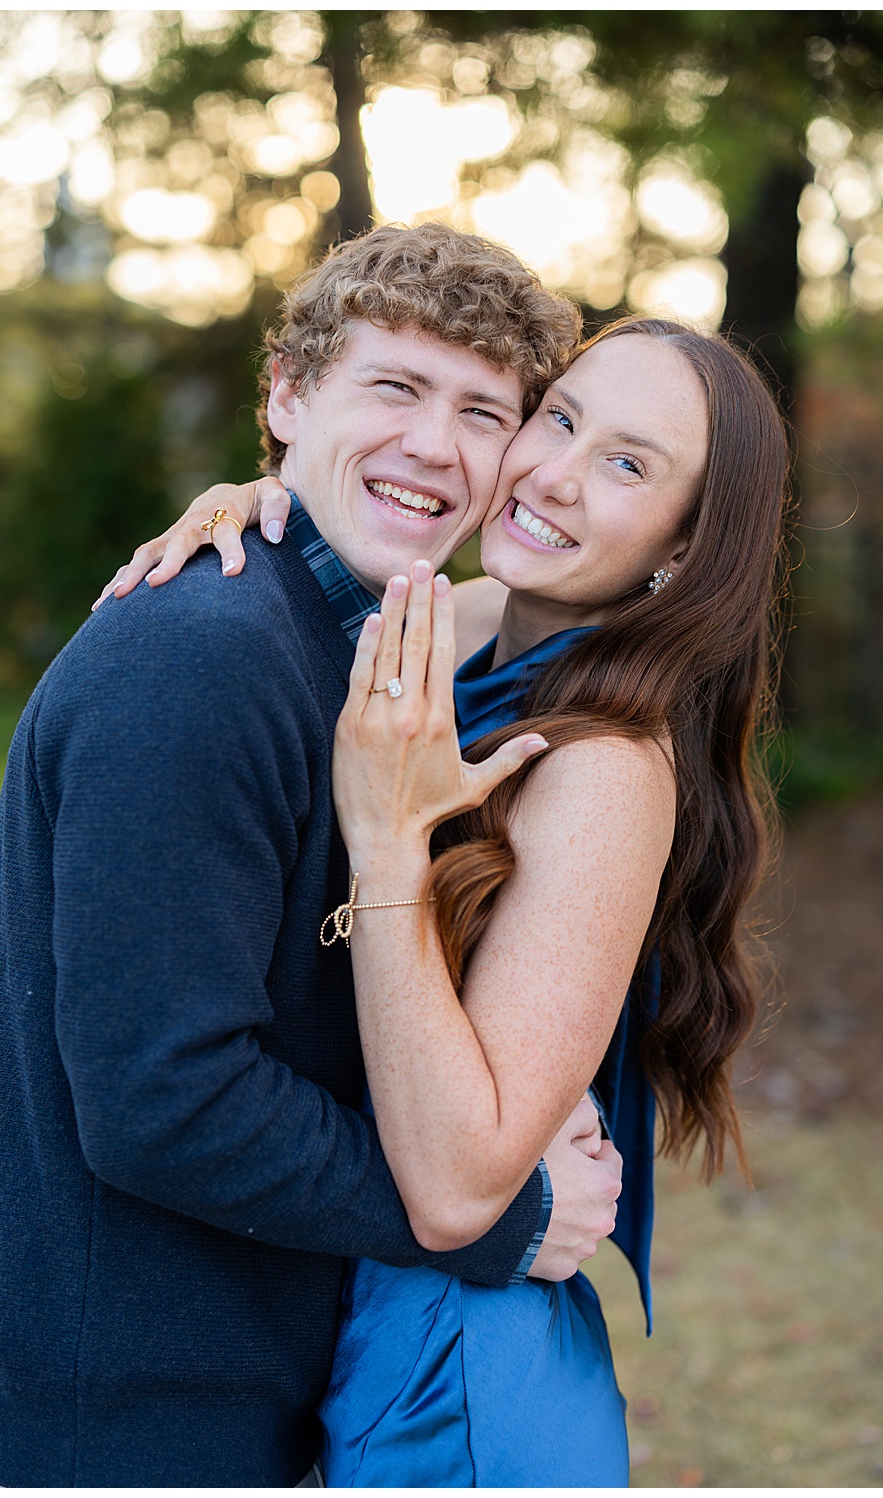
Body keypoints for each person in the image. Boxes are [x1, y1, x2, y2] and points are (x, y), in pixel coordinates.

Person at [0, 224, 626, 1488]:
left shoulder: (362, 644)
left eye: (481, 412)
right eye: (394, 387)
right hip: (112, 1441)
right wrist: (490, 1217)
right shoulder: (202, 653)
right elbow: (164, 1099)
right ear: (287, 396)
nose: (435, 445)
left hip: (249, 1411)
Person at [100, 315, 788, 1482]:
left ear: (682, 547)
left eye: (626, 464)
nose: (552, 473)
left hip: (453, 1368)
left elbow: (462, 1185)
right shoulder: (457, 624)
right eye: (558, 418)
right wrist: (245, 505)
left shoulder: (603, 769)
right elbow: (312, 569)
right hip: (329, 1303)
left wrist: (387, 847)